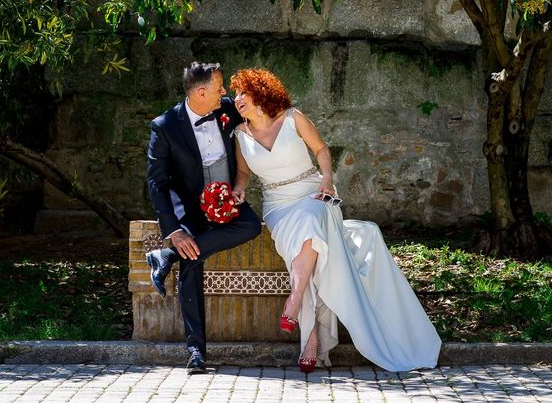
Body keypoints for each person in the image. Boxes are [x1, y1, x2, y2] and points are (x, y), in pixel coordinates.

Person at [229, 68, 441, 373]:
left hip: (314, 195)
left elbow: (321, 149)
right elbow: (244, 174)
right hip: (279, 207)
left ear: (261, 92)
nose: (237, 99)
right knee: (309, 239)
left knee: (312, 220)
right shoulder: (240, 135)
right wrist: (238, 191)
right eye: (235, 94)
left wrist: (327, 179)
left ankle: (301, 314)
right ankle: (306, 320)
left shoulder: (292, 117)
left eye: (243, 92)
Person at [145, 62, 262, 374]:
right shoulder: (165, 126)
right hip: (193, 206)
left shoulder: (226, 108)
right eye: (219, 88)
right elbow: (157, 182)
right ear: (200, 92)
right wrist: (173, 231)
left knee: (251, 226)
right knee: (192, 259)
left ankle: (165, 256)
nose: (225, 93)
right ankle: (196, 352)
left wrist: (239, 185)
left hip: (227, 197)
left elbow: (260, 117)